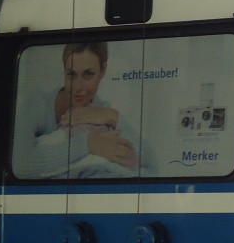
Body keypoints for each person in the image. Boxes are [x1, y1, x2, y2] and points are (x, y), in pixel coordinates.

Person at [15, 41, 142, 178]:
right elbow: (19, 165)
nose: (77, 87)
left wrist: (114, 116)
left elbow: (149, 164)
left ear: (103, 70)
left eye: (88, 74)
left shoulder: (101, 110)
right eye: (71, 75)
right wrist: (89, 144)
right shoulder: (37, 104)